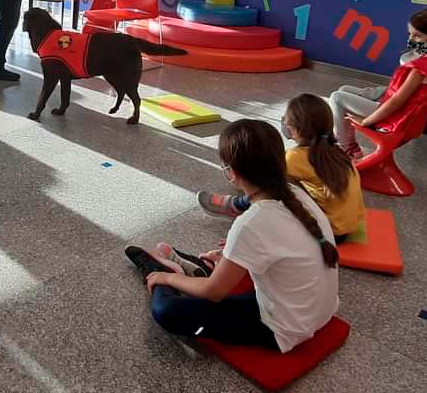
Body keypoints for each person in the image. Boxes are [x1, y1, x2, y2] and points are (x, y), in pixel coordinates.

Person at [125, 119, 339, 352]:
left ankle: (162, 271)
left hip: (284, 328)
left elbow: (214, 292)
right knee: (221, 282)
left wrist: (167, 280)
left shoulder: (252, 222)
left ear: (232, 173)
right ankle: (199, 267)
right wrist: (232, 257)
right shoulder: (296, 192)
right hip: (319, 312)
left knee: (167, 312)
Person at [198, 94, 364, 242]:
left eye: (287, 120)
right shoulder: (336, 151)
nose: (283, 121)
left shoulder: (296, 157)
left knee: (272, 184)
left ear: (296, 129)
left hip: (329, 231)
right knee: (286, 178)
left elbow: (263, 181)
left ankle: (237, 205)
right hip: (347, 226)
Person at [331, 8, 427, 159]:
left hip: (396, 119)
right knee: (344, 89)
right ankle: (351, 146)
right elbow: (407, 94)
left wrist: (366, 122)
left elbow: (395, 102)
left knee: (337, 97)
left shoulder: (420, 71)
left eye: (417, 36)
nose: (411, 39)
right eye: (410, 34)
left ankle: (344, 148)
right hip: (407, 117)